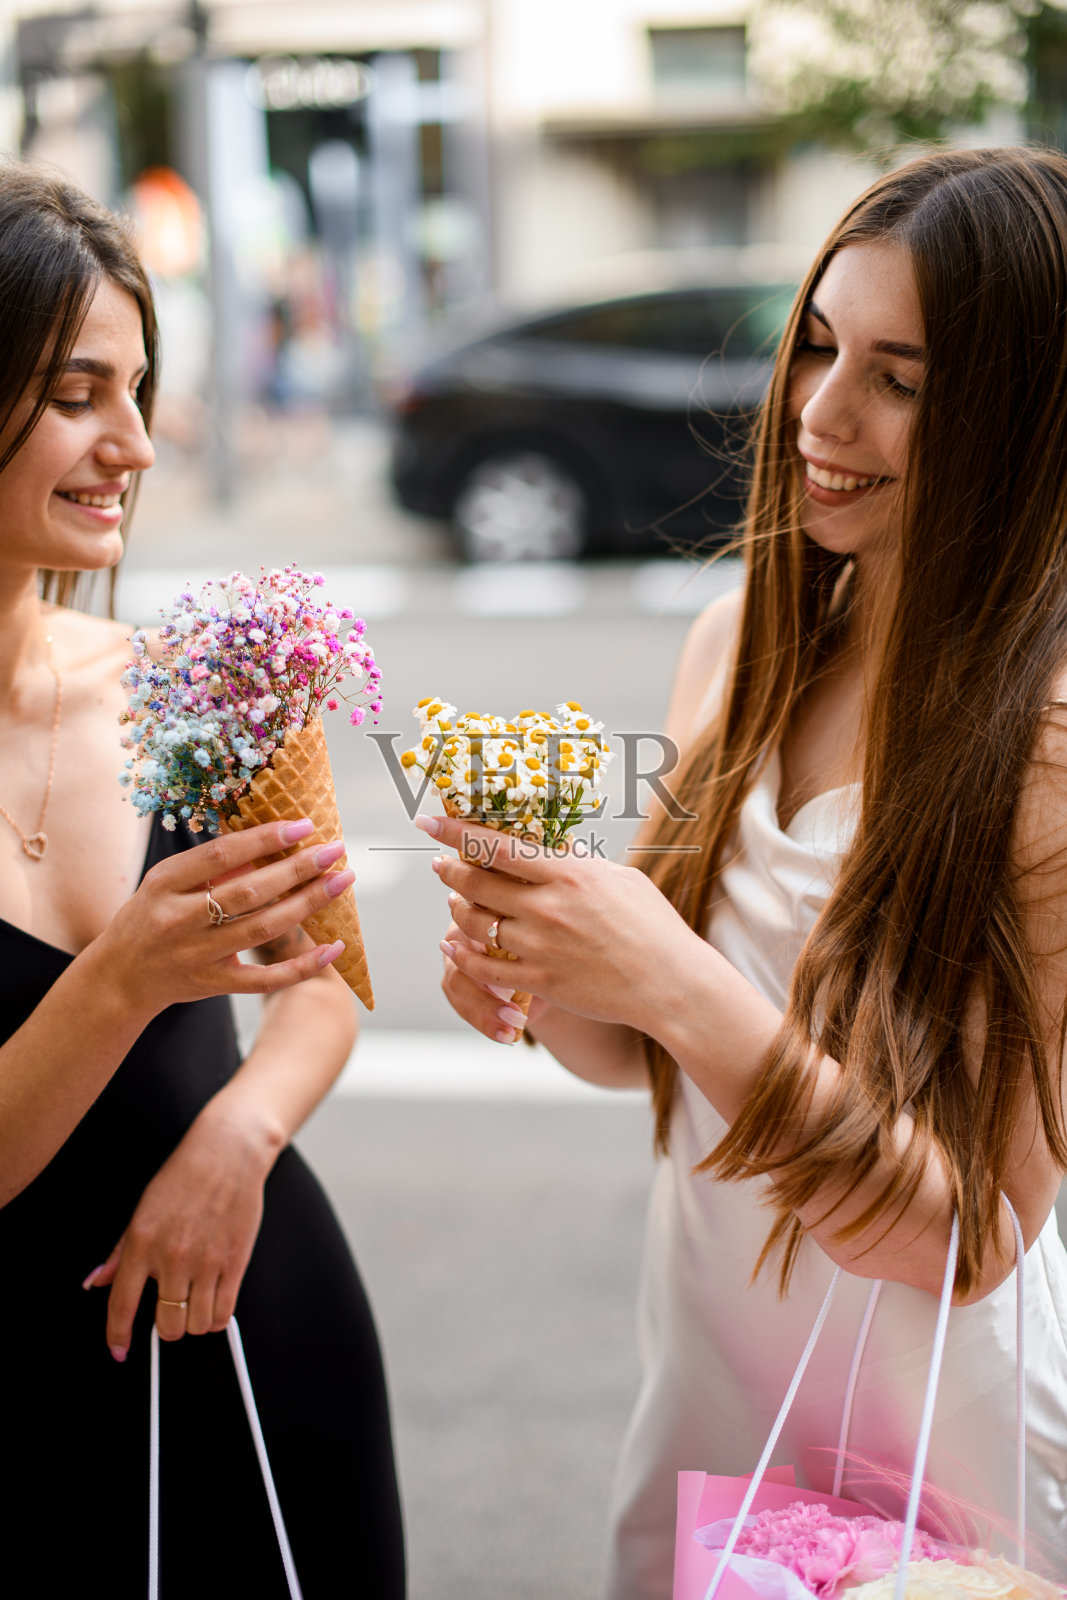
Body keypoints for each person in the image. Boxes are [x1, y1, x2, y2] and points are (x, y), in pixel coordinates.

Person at [426, 145, 1067, 1595]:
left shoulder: (1043, 745)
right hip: (715, 1380)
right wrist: (544, 966)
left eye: (902, 379)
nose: (820, 415)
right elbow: (638, 1057)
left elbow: (969, 1239)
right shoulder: (747, 641)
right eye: (820, 347)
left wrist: (667, 972)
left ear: (1020, 417)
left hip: (942, 1431)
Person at [0, 163, 405, 1596]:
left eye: (138, 390)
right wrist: (125, 977)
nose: (134, 444)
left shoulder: (204, 681)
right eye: (75, 395)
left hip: (252, 1318)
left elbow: (326, 985)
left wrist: (237, 1138)